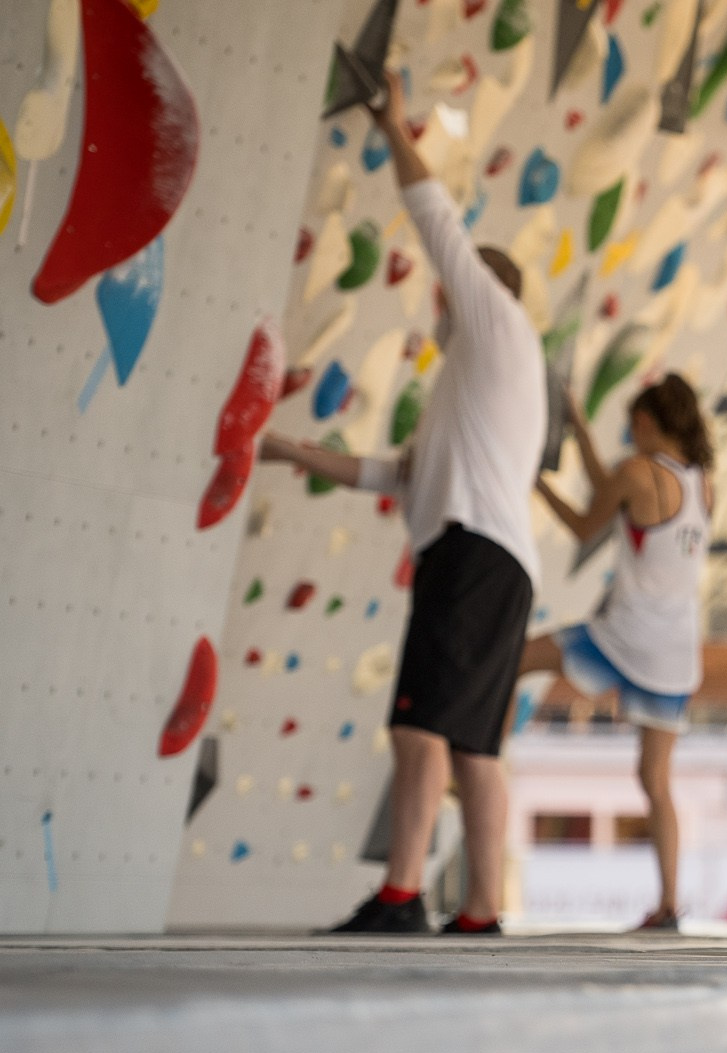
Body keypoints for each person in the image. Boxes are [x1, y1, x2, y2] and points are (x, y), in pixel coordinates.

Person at [258, 69, 545, 936]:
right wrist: (287, 451)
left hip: (470, 556)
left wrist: (392, 124)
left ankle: (400, 895)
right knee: (474, 745)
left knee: (419, 730)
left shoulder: (497, 327)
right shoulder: (477, 388)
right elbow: (396, 474)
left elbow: (436, 221)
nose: (442, 297)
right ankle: (481, 911)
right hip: (500, 563)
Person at [519, 376, 713, 932]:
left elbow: (586, 525)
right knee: (656, 781)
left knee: (515, 660)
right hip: (676, 652)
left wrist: (536, 483)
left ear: (646, 422)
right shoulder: (703, 483)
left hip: (623, 637)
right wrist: (580, 427)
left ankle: (477, 759)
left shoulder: (637, 472)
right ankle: (669, 904)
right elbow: (612, 489)